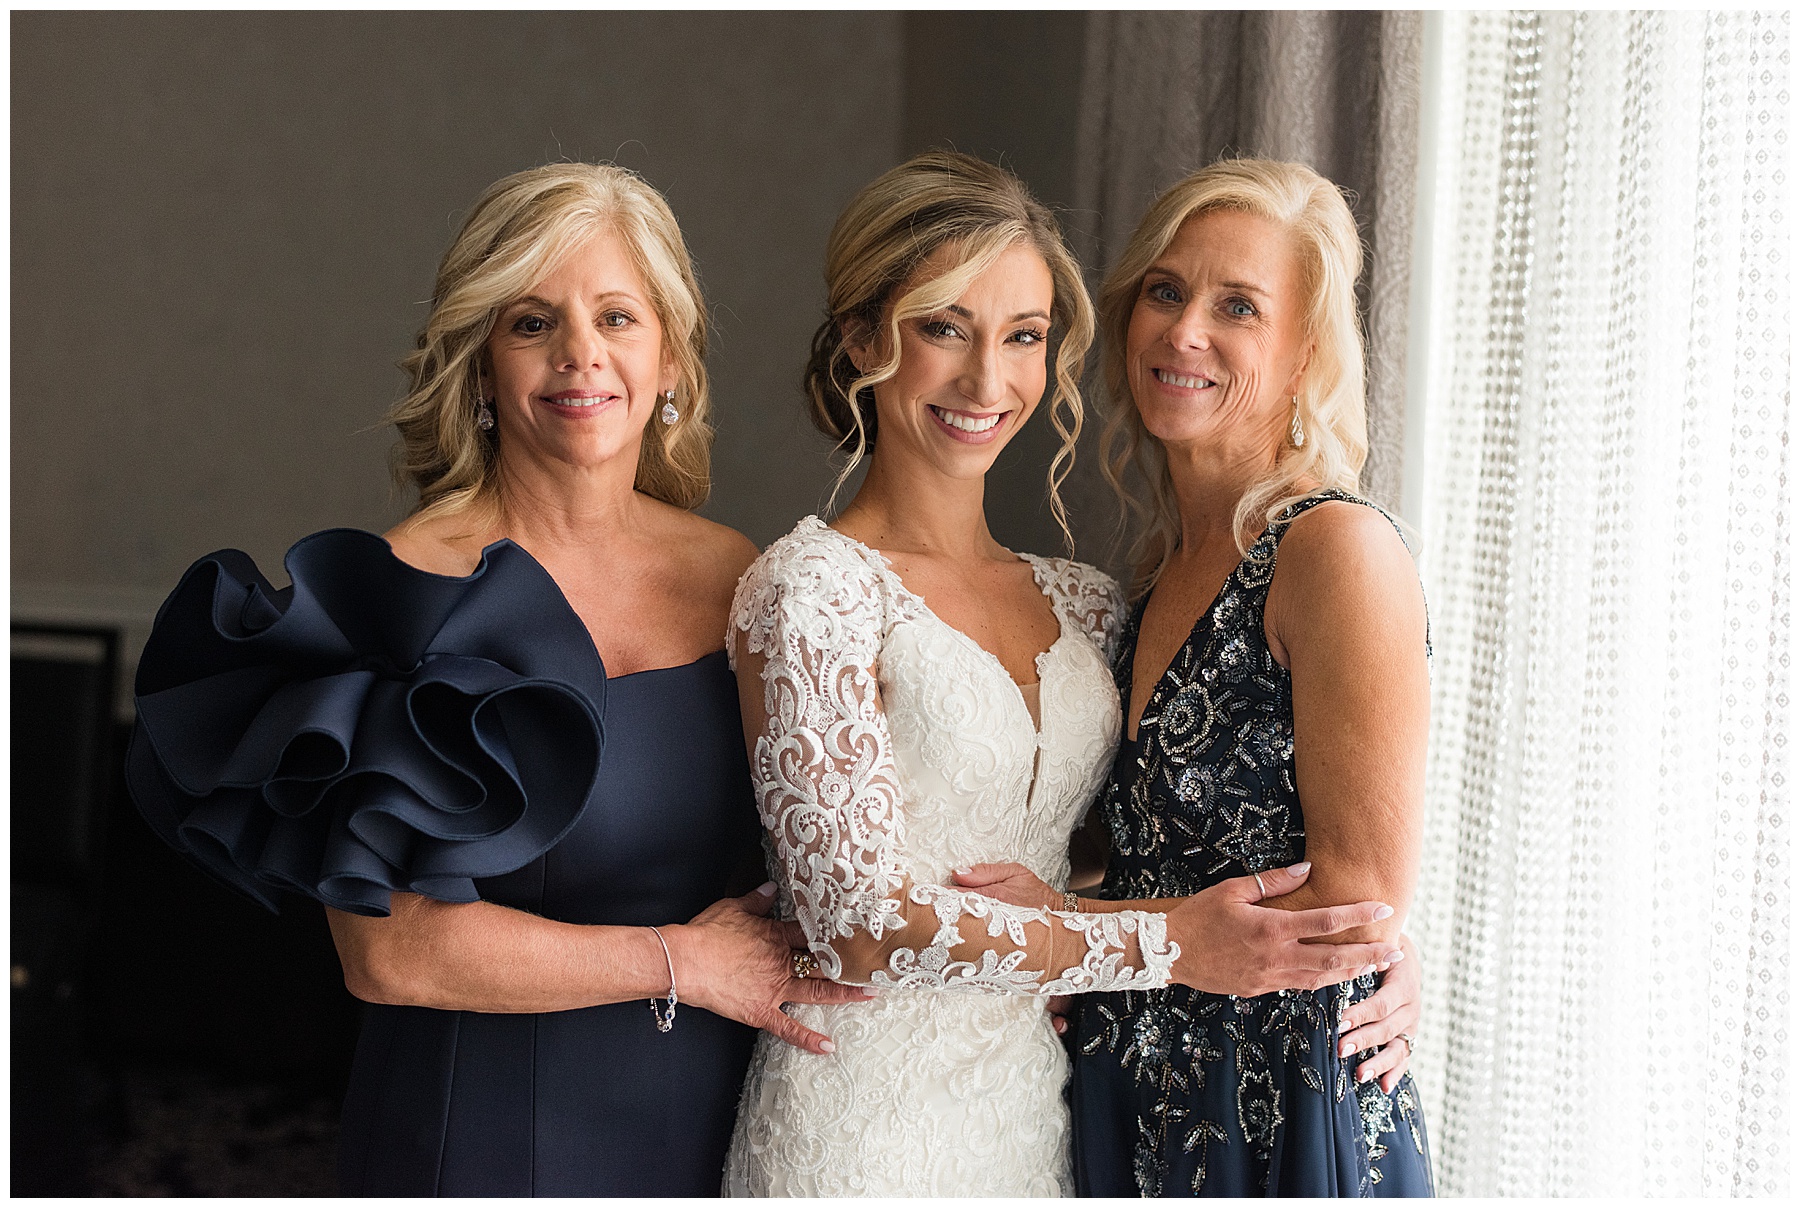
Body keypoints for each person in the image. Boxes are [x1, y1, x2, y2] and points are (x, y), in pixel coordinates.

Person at [125, 162, 871, 1196]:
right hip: (479, 1137)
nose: (581, 354)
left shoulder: (739, 574)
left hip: (726, 1119)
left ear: (669, 363)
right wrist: (682, 964)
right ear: (479, 365)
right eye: (532, 321)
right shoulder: (402, 593)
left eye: (618, 316)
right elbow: (390, 958)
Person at [719, 151, 1412, 1197]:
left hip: (1058, 1110)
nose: (985, 378)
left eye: (1025, 337)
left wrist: (1390, 941)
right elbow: (858, 922)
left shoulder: (1085, 601)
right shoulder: (812, 585)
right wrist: (1140, 940)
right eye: (944, 325)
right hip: (869, 1118)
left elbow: (1184, 854)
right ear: (865, 338)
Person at [1049, 157, 1435, 1195]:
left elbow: (1356, 901)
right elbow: (1134, 856)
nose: (1184, 332)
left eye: (1238, 306)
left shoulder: (1335, 550)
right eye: (1166, 292)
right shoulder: (1152, 573)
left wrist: (1056, 937)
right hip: (1132, 1088)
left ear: (1307, 347)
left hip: (1276, 1100)